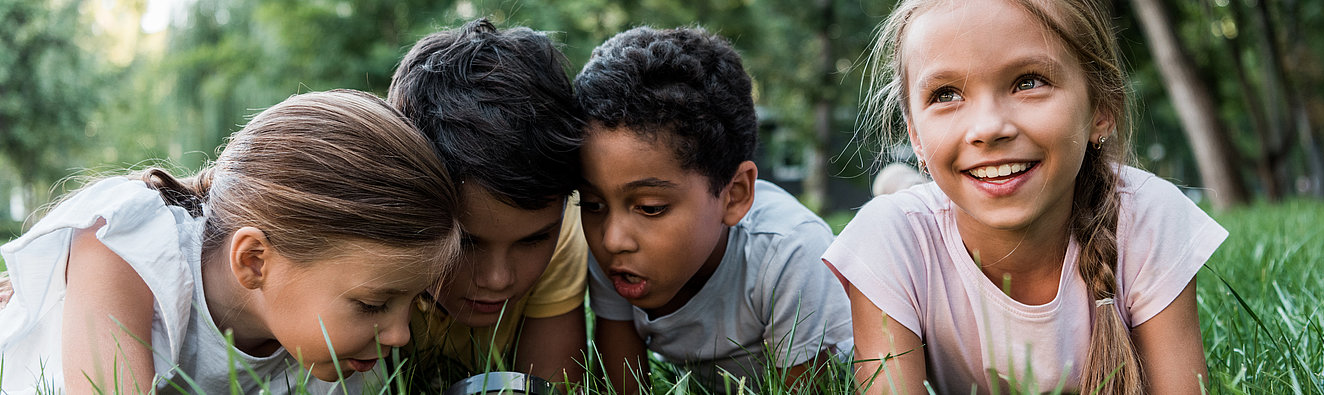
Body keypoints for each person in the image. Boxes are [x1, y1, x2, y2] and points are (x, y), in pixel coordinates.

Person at [822, 0, 1229, 394]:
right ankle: (908, 188)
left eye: (1029, 82)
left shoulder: (1147, 216)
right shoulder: (890, 240)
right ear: (915, 136)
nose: (988, 128)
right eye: (946, 94)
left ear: (1101, 108)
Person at [0, 89, 463, 394]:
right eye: (372, 304)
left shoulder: (334, 358)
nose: (400, 336)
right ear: (255, 260)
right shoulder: (125, 246)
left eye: (412, 302)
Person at [574, 26, 852, 393]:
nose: (612, 239)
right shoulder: (616, 250)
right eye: (593, 204)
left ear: (734, 195)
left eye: (650, 208)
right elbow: (623, 386)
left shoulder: (791, 253)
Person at [384, 18, 588, 388]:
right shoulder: (357, 246)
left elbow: (549, 383)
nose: (498, 279)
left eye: (532, 240)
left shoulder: (564, 233)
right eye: (466, 242)